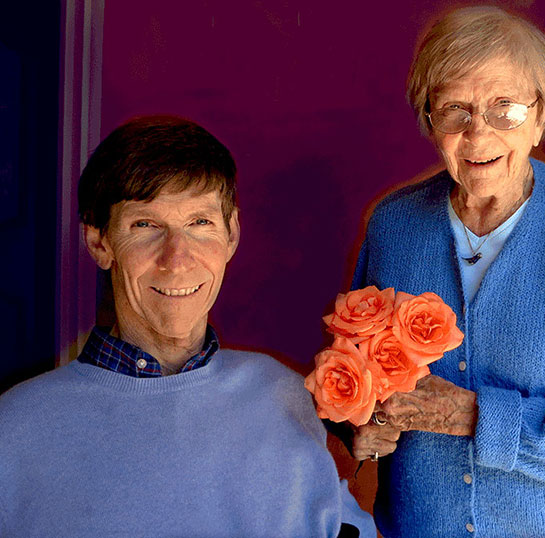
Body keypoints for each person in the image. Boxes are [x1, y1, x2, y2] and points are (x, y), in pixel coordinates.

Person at [347, 6, 545, 537]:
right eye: (454, 109)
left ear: (541, 116)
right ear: (430, 121)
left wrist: (477, 417)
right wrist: (359, 424)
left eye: (506, 108)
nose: (478, 133)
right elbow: (359, 374)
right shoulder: (394, 226)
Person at [0, 116, 375, 538]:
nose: (176, 259)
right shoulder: (15, 427)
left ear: (231, 234)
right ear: (99, 242)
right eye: (145, 225)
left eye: (200, 223)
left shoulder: (285, 396)